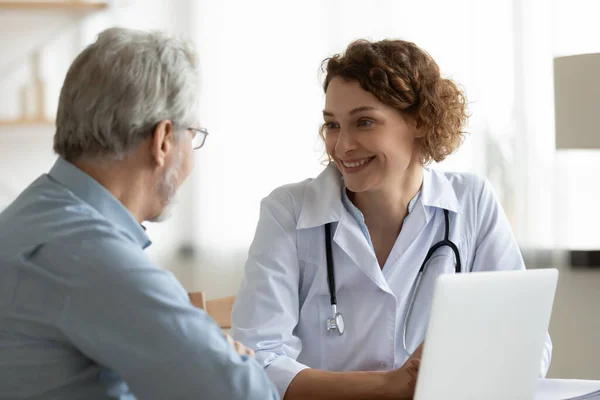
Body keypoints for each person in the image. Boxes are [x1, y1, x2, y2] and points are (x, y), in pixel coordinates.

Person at [231, 38, 553, 400]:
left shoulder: (471, 201)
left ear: (420, 120)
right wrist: (389, 387)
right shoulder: (287, 211)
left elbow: (527, 337)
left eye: (364, 122)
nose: (342, 146)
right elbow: (255, 364)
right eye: (333, 125)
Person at [0, 27, 278, 400]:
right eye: (192, 134)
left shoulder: (29, 217)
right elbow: (245, 394)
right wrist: (233, 361)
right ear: (162, 140)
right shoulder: (92, 255)